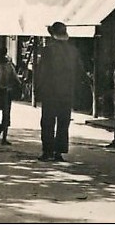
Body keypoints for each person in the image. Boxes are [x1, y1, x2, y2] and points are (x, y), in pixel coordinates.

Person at [35, 22, 84, 162]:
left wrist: (38, 88)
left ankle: (47, 151)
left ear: (52, 35)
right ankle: (58, 152)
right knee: (63, 122)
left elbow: (42, 72)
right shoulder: (73, 51)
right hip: (67, 91)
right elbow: (79, 71)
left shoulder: (46, 51)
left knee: (48, 122)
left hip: (50, 91)